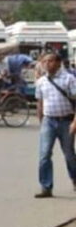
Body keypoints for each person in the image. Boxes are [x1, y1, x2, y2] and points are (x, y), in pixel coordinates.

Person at [33, 53, 76, 198]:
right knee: (44, 155)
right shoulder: (41, 82)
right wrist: (41, 122)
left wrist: (74, 122)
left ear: (58, 63)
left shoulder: (68, 79)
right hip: (48, 121)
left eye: (50, 61)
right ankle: (46, 187)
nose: (46, 64)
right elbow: (40, 103)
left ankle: (75, 179)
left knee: (69, 154)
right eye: (44, 61)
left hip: (66, 121)